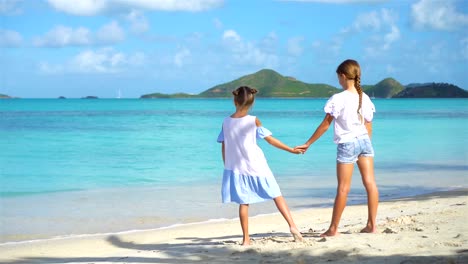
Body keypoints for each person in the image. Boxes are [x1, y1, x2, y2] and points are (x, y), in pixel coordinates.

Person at [295, 59, 379, 237]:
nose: (338, 81)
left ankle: (333, 229)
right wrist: (365, 141)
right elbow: (369, 124)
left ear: (342, 76)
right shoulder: (365, 97)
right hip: (365, 141)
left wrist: (308, 143)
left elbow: (325, 125)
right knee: (370, 184)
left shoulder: (338, 99)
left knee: (343, 188)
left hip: (348, 144)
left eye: (338, 78)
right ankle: (372, 225)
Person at [217, 86, 304, 246]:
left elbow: (224, 146)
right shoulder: (253, 120)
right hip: (257, 165)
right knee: (276, 195)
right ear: (251, 103)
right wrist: (291, 150)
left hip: (237, 168)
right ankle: (293, 227)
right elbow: (270, 140)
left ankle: (246, 239)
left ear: (235, 101)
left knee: (244, 203)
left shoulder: (226, 122)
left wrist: (227, 166)